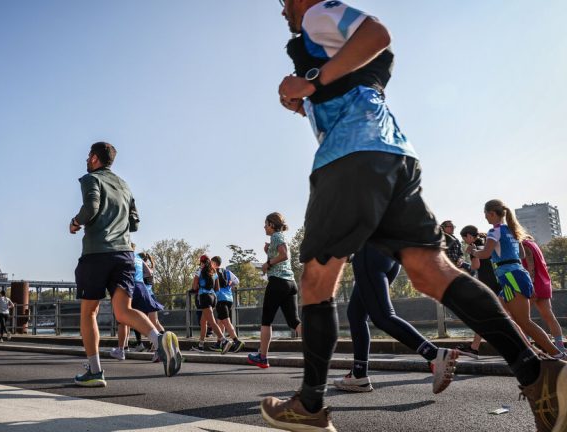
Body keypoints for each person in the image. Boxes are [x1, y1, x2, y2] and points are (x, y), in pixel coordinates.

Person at [262, 2, 567, 431]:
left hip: (352, 158)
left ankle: (310, 405)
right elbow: (358, 76)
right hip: (390, 155)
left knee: (315, 279)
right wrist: (303, 101)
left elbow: (378, 35)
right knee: (430, 272)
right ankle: (538, 376)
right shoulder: (332, 49)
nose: (282, 12)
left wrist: (310, 80)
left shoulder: (316, 13)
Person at [70, 141, 181, 387]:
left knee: (89, 312)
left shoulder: (91, 179)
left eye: (89, 156)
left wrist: (76, 222)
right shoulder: (125, 185)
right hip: (125, 256)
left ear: (96, 159)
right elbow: (135, 224)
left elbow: (91, 208)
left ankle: (95, 371)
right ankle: (158, 338)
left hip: (97, 253)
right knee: (124, 311)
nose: (87, 160)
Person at [333, 244, 457, 394]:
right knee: (356, 314)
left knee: (382, 316)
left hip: (369, 252)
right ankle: (359, 375)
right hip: (391, 255)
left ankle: (434, 355)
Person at [467, 200, 564, 359]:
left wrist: (473, 251)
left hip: (511, 278)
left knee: (524, 322)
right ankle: (530, 352)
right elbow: (521, 255)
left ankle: (557, 354)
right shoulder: (512, 230)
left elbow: (485, 254)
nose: (485, 218)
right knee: (497, 314)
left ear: (492, 213)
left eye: (485, 215)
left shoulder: (494, 231)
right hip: (515, 276)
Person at [248, 213, 300, 368]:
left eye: (265, 224)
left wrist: (267, 263)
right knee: (294, 322)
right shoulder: (279, 237)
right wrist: (268, 252)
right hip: (290, 283)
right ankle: (318, 348)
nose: (264, 227)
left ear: (271, 224)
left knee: (266, 320)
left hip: (277, 283)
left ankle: (262, 357)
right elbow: (282, 257)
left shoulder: (276, 236)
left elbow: (284, 255)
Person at [111, 244, 166, 362]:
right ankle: (159, 347)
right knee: (150, 321)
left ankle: (121, 350)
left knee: (122, 319)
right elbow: (150, 273)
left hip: (129, 286)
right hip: (142, 288)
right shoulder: (138, 257)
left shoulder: (122, 255)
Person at [455, 225, 503, 358]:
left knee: (483, 318)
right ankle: (474, 348)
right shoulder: (486, 243)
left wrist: (463, 264)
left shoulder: (473, 247)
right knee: (495, 316)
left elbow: (476, 266)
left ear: (469, 236)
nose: (464, 241)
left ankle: (526, 346)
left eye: (464, 238)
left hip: (486, 285)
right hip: (498, 282)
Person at [522, 235, 565, 352]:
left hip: (534, 284)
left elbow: (531, 266)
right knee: (549, 316)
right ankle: (560, 347)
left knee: (523, 318)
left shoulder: (524, 245)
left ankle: (528, 348)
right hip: (544, 283)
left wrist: (531, 284)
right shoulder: (533, 244)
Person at [192, 255, 232, 354]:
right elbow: (217, 288)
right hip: (213, 297)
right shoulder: (213, 271)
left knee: (212, 322)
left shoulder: (199, 270)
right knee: (203, 322)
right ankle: (201, 345)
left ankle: (224, 341)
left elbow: (194, 286)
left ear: (201, 262)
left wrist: (198, 288)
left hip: (204, 297)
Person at [212, 256, 245, 353]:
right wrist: (230, 285)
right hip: (229, 298)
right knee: (220, 321)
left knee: (226, 321)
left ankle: (236, 341)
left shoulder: (213, 272)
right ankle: (218, 343)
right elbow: (237, 281)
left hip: (220, 298)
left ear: (214, 263)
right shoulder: (227, 272)